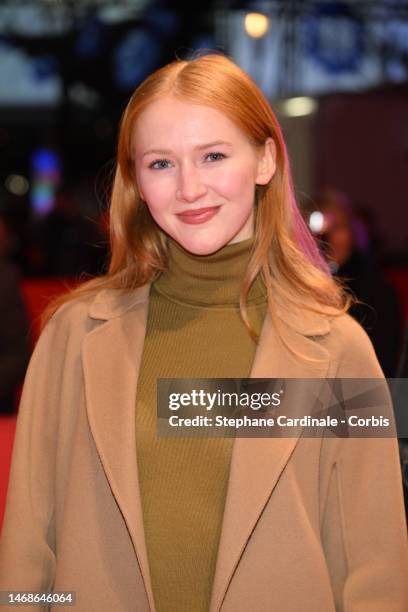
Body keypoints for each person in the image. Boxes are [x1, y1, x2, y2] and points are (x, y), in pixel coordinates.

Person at [0, 52, 407, 612]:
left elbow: (374, 565)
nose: (190, 188)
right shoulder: (74, 335)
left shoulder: (334, 348)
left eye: (213, 155)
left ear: (265, 160)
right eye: (162, 163)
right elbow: (26, 549)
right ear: (136, 181)